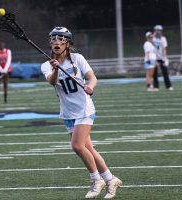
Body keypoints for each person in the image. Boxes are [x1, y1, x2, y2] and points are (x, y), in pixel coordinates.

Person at [41, 27, 122, 199]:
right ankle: (110, 179)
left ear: (67, 43)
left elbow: (92, 77)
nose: (56, 42)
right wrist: (55, 68)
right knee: (88, 149)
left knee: (77, 146)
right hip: (68, 112)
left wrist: (90, 87)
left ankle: (96, 179)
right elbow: (52, 82)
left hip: (84, 109)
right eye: (53, 39)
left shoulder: (77, 59)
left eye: (60, 39)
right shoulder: (47, 65)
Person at [152, 25, 173, 91]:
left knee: (165, 72)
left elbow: (164, 49)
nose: (158, 32)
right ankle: (156, 87)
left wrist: (164, 58)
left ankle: (168, 86)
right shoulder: (152, 38)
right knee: (154, 73)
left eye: (159, 30)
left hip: (161, 58)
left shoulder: (163, 38)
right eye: (156, 30)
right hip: (154, 58)